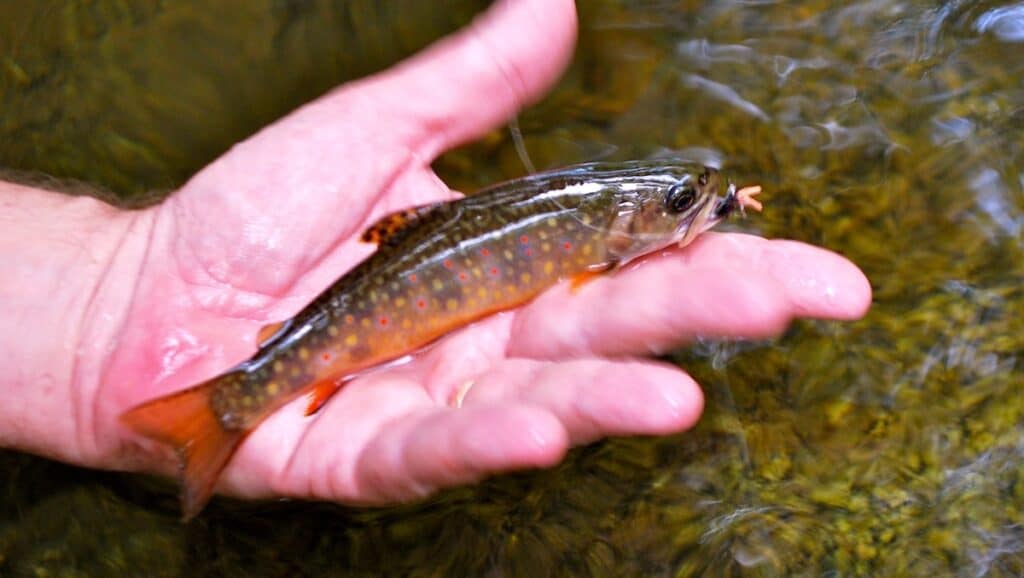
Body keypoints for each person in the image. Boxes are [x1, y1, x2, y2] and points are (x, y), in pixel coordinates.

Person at [0, 0, 869, 508]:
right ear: (622, 223)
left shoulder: (596, 227)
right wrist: (99, 303)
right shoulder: (591, 232)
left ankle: (215, 411)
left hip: (384, 298)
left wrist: (93, 299)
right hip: (374, 309)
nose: (694, 210)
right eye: (678, 203)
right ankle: (216, 413)